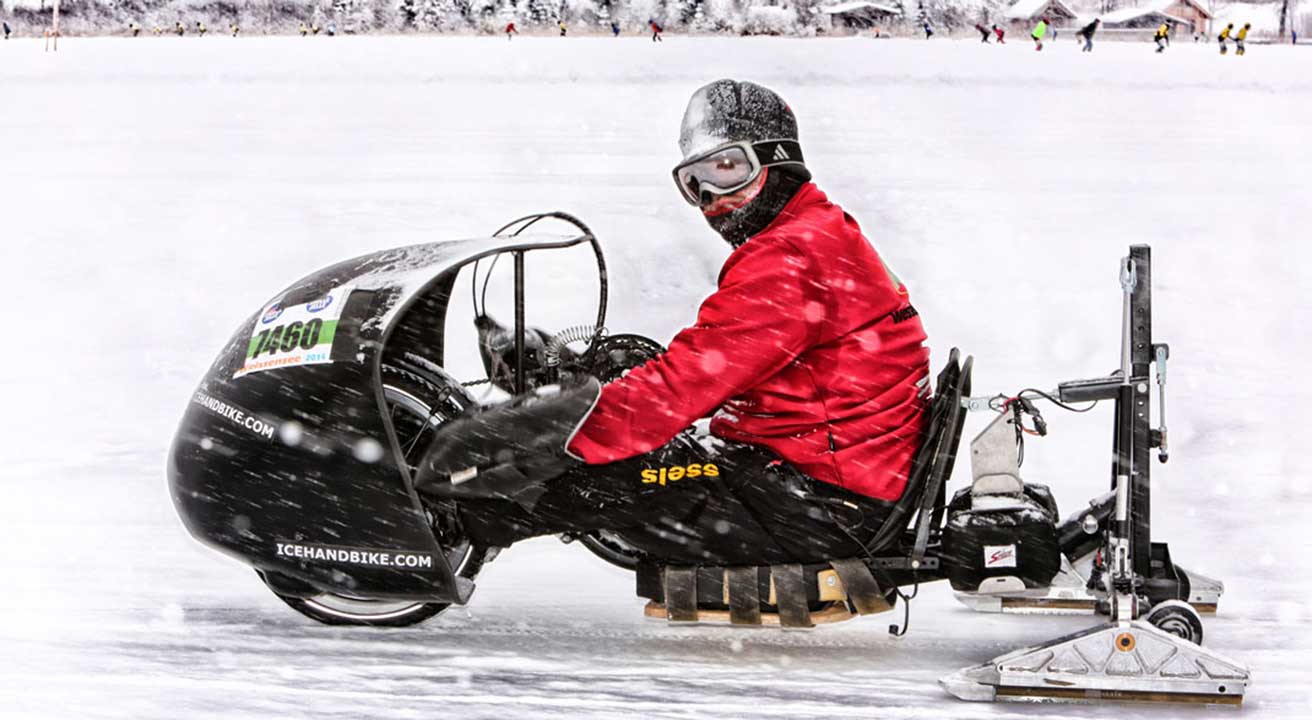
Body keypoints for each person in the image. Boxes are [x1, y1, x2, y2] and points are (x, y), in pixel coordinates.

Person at [418, 80, 932, 565]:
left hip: (818, 505)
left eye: (729, 169)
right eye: (695, 182)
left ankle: (442, 522)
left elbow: (681, 388)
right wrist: (591, 387)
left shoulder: (788, 258)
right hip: (838, 472)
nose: (712, 198)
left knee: (602, 476)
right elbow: (718, 361)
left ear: (779, 161)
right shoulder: (819, 228)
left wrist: (541, 433)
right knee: (629, 375)